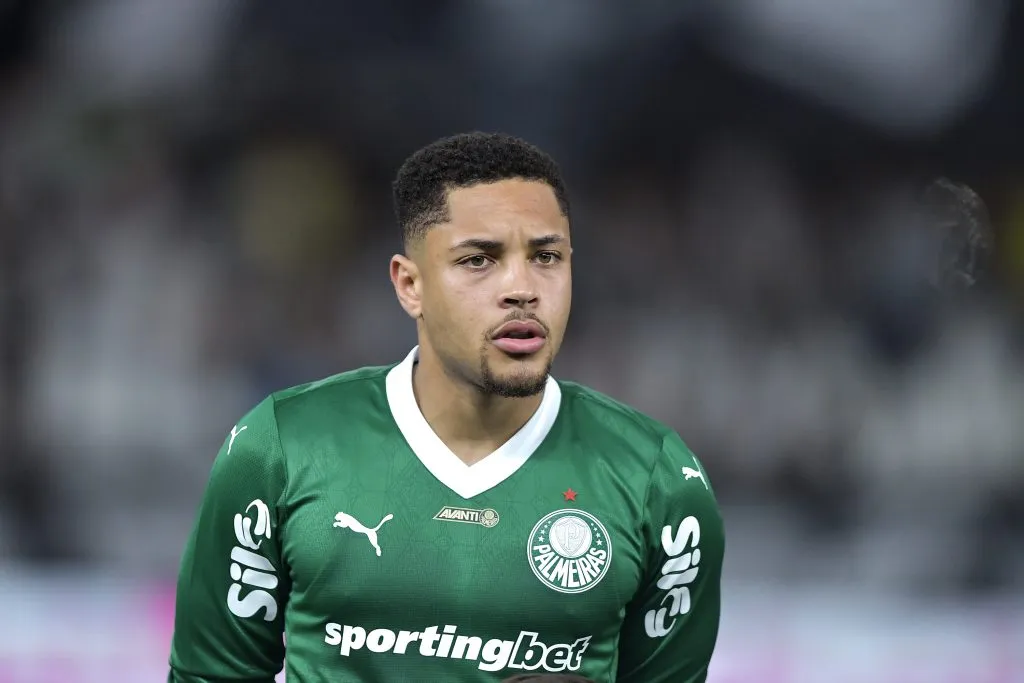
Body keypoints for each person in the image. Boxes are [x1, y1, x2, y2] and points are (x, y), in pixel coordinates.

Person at [168, 132, 725, 682]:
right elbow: (210, 675)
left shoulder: (658, 479)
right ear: (410, 285)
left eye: (546, 256)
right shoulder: (283, 445)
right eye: (480, 260)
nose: (522, 289)